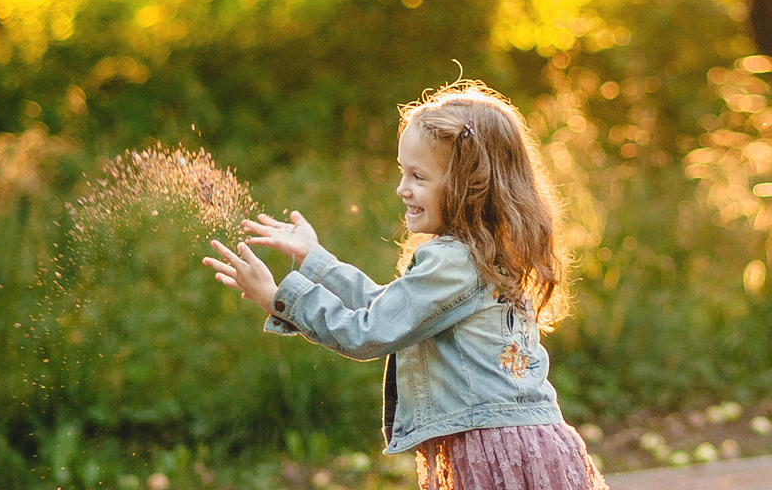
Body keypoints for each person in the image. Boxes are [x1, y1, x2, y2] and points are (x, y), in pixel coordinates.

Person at [203, 79, 609, 490]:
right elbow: (392, 310)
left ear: (469, 185)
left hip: (490, 448)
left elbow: (370, 332)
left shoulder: (453, 260)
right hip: (533, 441)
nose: (402, 188)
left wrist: (278, 297)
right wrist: (315, 260)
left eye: (418, 176)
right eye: (403, 172)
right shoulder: (491, 253)